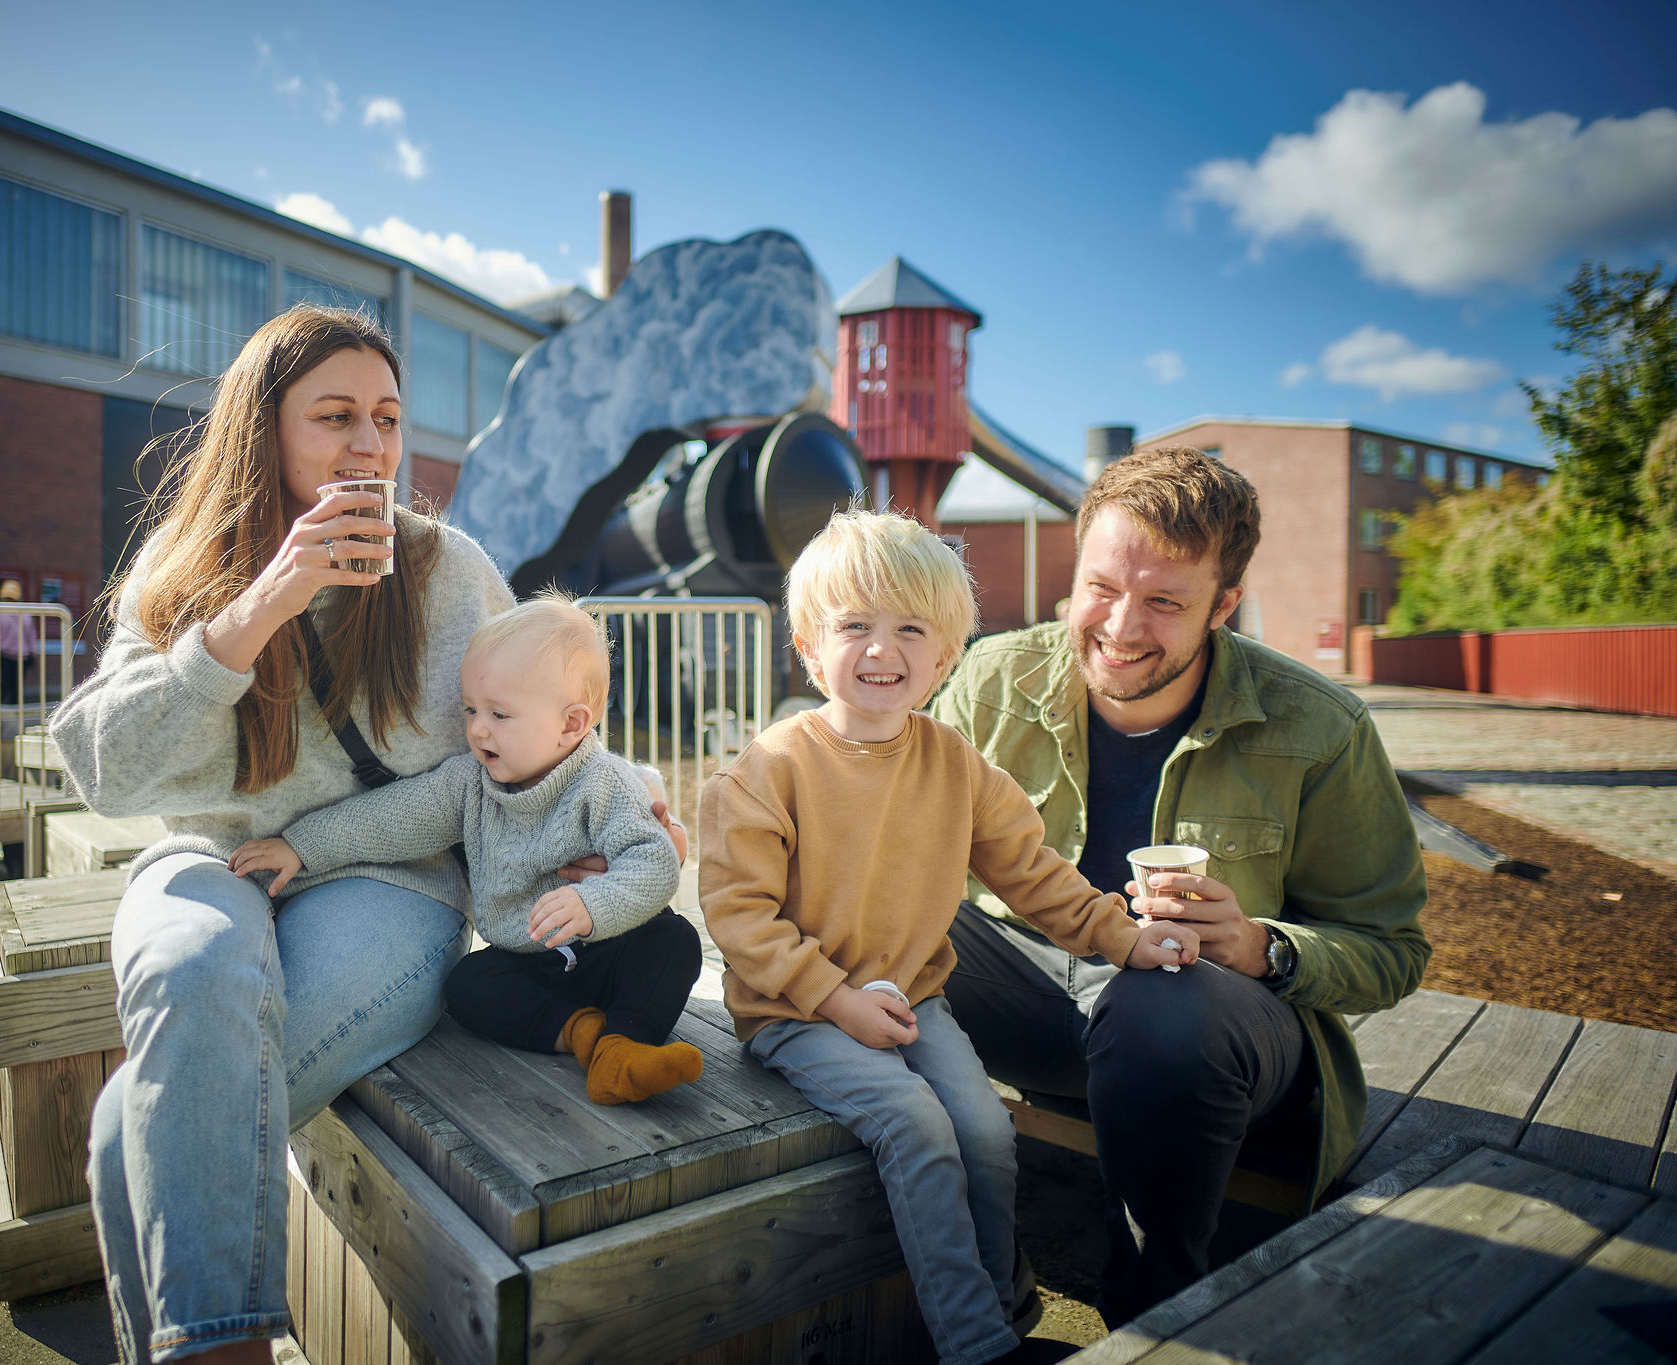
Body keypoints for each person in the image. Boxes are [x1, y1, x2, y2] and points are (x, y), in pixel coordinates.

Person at [50, 306, 642, 1365]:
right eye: (333, 418)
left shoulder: (445, 571)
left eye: (385, 418)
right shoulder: (180, 571)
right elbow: (106, 772)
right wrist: (260, 607)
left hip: (394, 878)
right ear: (262, 430)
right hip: (208, 855)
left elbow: (542, 728)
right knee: (191, 978)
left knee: (118, 1135)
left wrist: (609, 819)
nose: (368, 447)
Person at [929, 446, 1430, 1326]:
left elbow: (1391, 951)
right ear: (1073, 570)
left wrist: (1261, 945)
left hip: (1203, 1035)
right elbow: (904, 848)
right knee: (884, 917)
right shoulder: (991, 677)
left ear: (1224, 604)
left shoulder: (1321, 727)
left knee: (1164, 1000)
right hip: (1035, 1007)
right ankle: (950, 1260)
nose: (1121, 627)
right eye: (1101, 588)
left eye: (1164, 601)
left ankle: (1158, 1313)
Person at [699, 510, 1193, 1365]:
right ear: (812, 648)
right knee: (915, 1125)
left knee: (985, 1127)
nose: (881, 648)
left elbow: (1033, 871)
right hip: (799, 1011)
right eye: (854, 625)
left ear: (943, 657)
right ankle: (976, 1346)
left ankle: (1005, 1302)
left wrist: (1125, 938)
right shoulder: (770, 769)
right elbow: (740, 914)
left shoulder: (954, 763)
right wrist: (835, 999)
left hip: (916, 999)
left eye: (909, 628)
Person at [228, 593, 705, 1105]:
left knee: (674, 941)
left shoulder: (605, 784)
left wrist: (594, 904)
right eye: (471, 709)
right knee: (468, 984)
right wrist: (301, 847)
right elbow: (393, 817)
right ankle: (585, 1035)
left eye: (500, 714)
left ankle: (628, 1044)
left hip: (610, 947)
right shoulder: (469, 784)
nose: (477, 729)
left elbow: (653, 862)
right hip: (529, 959)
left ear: (571, 724)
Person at [0, 578, 43, 703]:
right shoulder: (0, 614)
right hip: (4, 657)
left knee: (15, 691)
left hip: (19, 658)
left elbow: (31, 634)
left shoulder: (21, 614)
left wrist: (33, 649)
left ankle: (10, 717)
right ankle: (2, 717)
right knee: (4, 689)